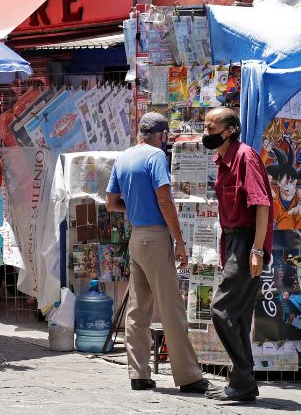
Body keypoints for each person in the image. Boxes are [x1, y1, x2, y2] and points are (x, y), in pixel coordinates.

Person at [106, 112, 212, 393]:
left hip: (137, 237)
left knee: (138, 310)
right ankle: (189, 377)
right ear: (162, 135)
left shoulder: (124, 157)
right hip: (156, 237)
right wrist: (179, 240)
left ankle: (138, 374)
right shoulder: (155, 158)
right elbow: (164, 199)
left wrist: (137, 207)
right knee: (171, 308)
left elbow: (111, 203)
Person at [201, 107, 273, 402]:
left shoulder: (245, 156)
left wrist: (257, 249)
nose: (206, 133)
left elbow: (262, 204)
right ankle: (243, 384)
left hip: (246, 243)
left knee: (221, 309)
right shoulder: (222, 160)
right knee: (239, 316)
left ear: (229, 130)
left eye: (210, 128)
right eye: (205, 127)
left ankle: (242, 376)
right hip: (232, 241)